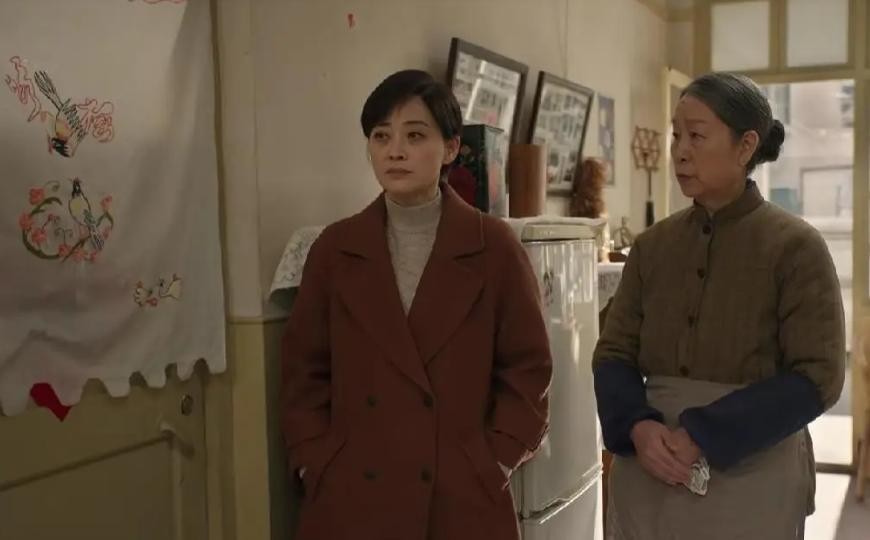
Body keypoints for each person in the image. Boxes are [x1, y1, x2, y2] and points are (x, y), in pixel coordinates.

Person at [281, 69, 552, 540]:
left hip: (459, 497)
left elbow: (528, 371)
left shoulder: (494, 247)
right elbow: (303, 370)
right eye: (381, 136)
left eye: (415, 135)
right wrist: (314, 459)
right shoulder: (335, 248)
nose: (395, 150)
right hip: (353, 496)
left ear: (450, 148)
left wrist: (496, 459)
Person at [593, 72, 845, 539]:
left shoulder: (796, 248)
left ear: (745, 146)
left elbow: (818, 377)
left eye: (696, 135)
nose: (680, 151)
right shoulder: (652, 247)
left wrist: (703, 434)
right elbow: (613, 354)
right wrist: (638, 428)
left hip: (753, 473)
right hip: (649, 469)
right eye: (676, 136)